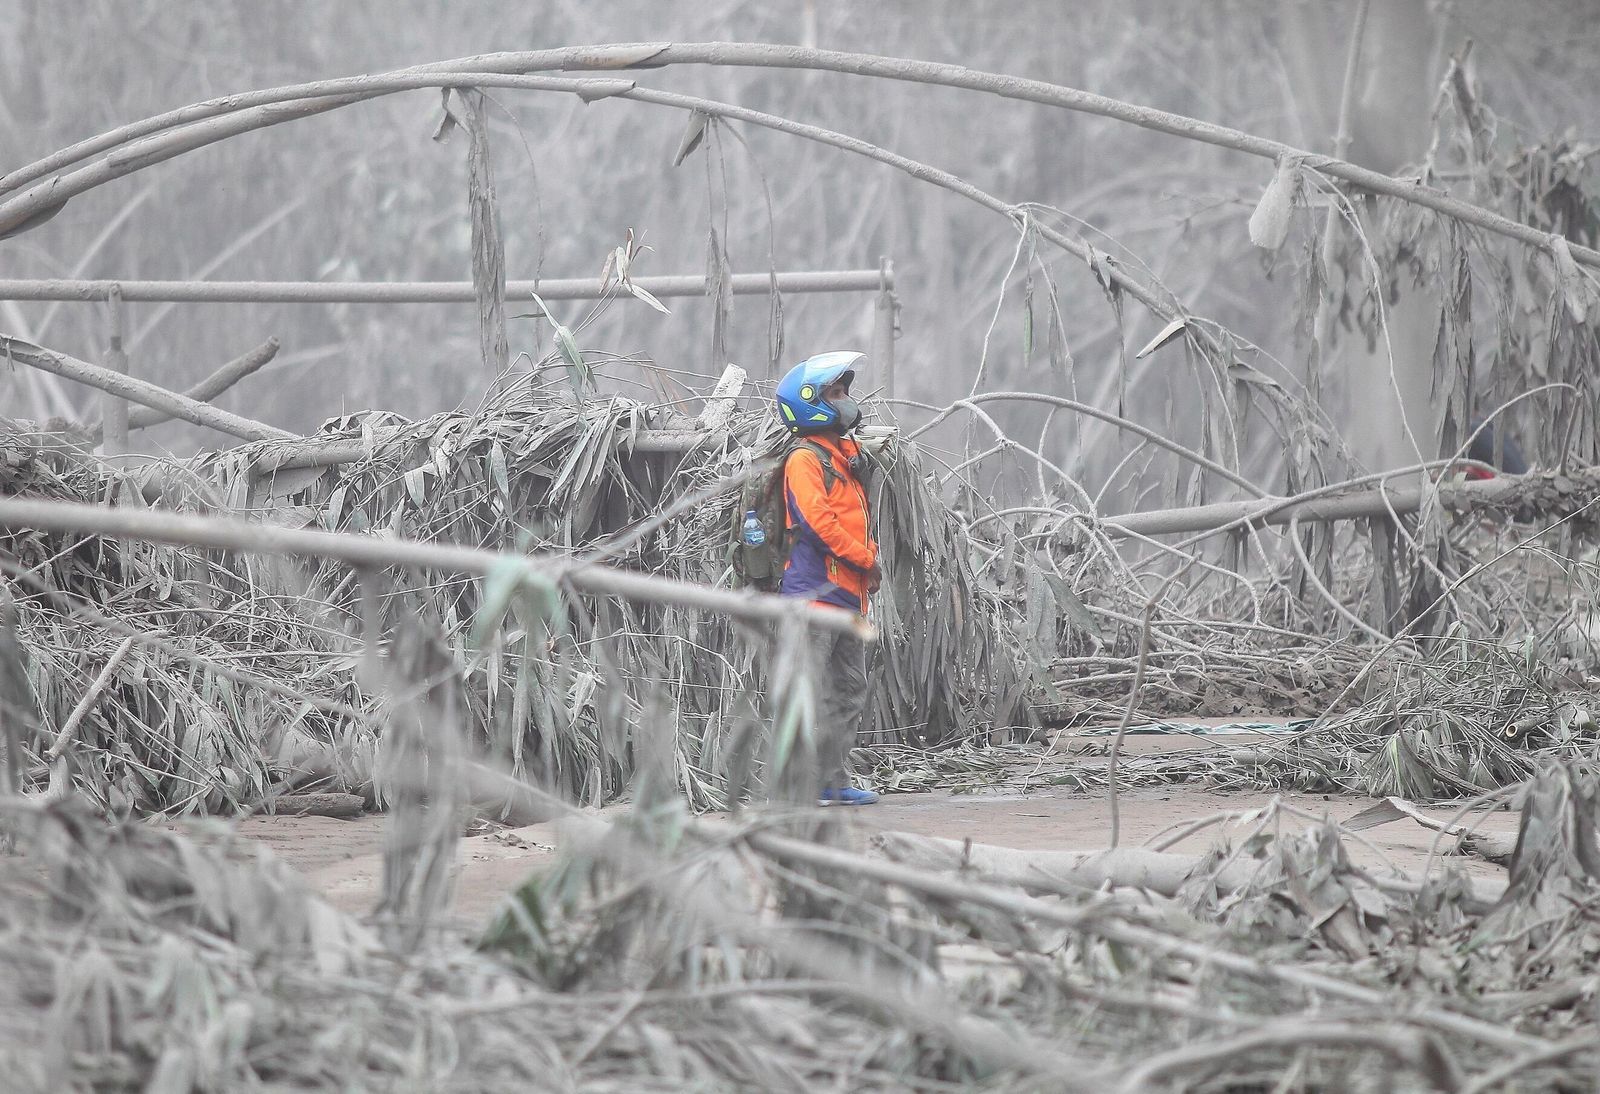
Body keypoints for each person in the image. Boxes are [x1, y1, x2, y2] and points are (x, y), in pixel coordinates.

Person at [774, 350, 882, 807]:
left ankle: (831, 782)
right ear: (811, 403)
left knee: (849, 692)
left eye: (843, 392)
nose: (844, 401)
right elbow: (819, 524)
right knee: (806, 693)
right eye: (834, 393)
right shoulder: (804, 459)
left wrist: (865, 570)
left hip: (846, 598)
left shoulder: (842, 456)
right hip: (813, 599)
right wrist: (866, 559)